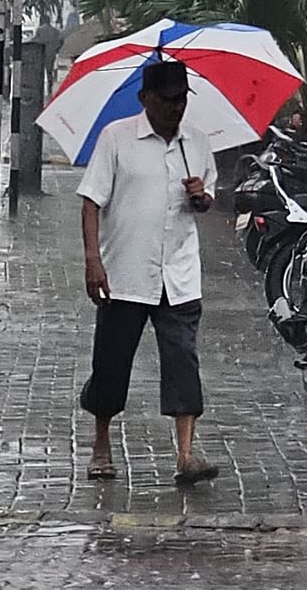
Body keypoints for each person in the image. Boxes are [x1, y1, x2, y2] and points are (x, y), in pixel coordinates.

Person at [76, 60, 219, 486]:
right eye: (168, 100)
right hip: (126, 271)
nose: (176, 108)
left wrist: (201, 198)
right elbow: (90, 202)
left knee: (182, 361)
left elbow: (206, 200)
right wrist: (92, 260)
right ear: (146, 100)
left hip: (179, 272)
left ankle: (186, 454)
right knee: (111, 362)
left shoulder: (196, 143)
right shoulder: (117, 138)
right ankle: (101, 446)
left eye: (182, 100)